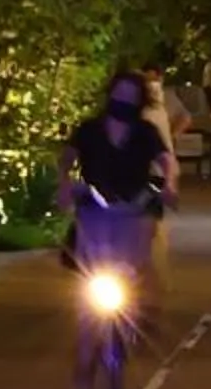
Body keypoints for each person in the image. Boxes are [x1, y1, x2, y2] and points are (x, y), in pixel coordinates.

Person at [63, 71, 178, 364]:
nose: (124, 100)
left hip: (135, 207)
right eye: (120, 93)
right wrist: (64, 185)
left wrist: (170, 185)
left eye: (131, 95)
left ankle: (144, 311)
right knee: (87, 267)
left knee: (144, 260)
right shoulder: (89, 129)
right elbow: (66, 159)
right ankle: (86, 338)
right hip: (96, 208)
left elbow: (166, 161)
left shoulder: (145, 132)